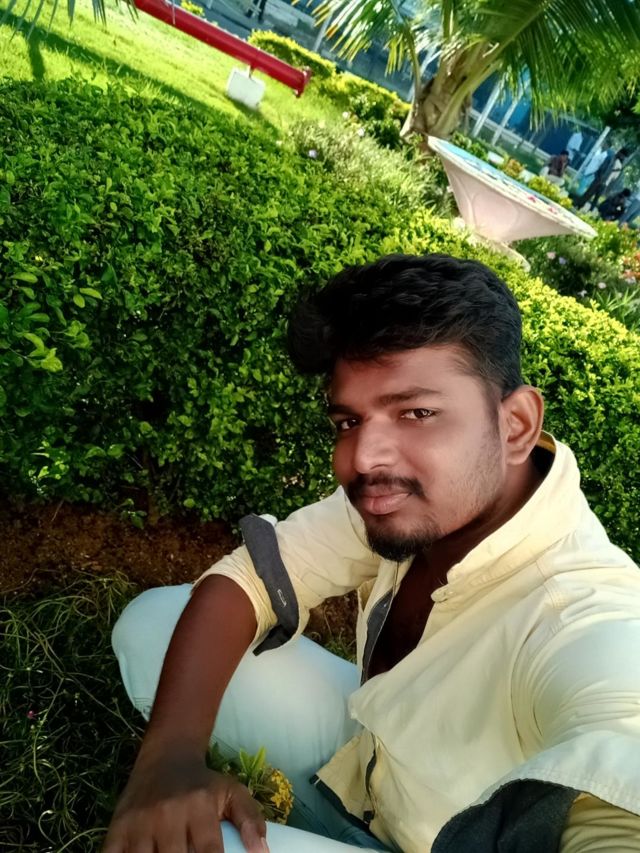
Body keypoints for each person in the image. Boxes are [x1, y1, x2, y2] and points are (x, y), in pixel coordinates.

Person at [104, 254, 640, 853]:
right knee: (154, 624)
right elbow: (248, 580)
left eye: (417, 413)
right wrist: (168, 761)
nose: (363, 458)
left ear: (515, 425)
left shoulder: (582, 611)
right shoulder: (419, 500)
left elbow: (623, 757)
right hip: (367, 765)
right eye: (349, 421)